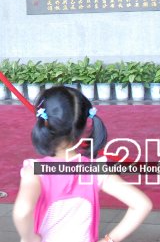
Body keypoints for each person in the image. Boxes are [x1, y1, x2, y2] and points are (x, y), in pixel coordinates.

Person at [13, 85, 152, 242]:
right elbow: (142, 205)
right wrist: (109, 240)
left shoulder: (35, 171)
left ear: (45, 123)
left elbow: (22, 211)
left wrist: (29, 238)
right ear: (84, 124)